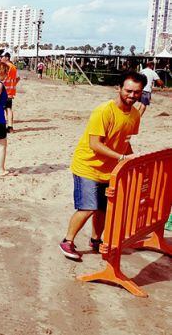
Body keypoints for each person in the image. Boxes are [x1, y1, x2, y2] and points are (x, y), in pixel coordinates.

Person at [59, 71, 147, 260]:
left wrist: (132, 159)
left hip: (109, 170)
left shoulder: (134, 115)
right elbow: (95, 144)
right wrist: (121, 157)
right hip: (87, 166)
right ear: (119, 88)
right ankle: (67, 241)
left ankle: (96, 240)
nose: (132, 96)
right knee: (88, 207)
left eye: (136, 92)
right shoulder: (104, 111)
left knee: (103, 209)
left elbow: (125, 140)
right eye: (128, 91)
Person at [1, 52, 19, 132]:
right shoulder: (14, 67)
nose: (1, 58)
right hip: (11, 91)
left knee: (2, 109)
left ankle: (2, 126)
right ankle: (10, 127)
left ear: (7, 58)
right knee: (9, 108)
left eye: (3, 57)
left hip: (4, 90)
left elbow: (2, 78)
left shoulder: (5, 66)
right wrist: (13, 84)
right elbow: (18, 78)